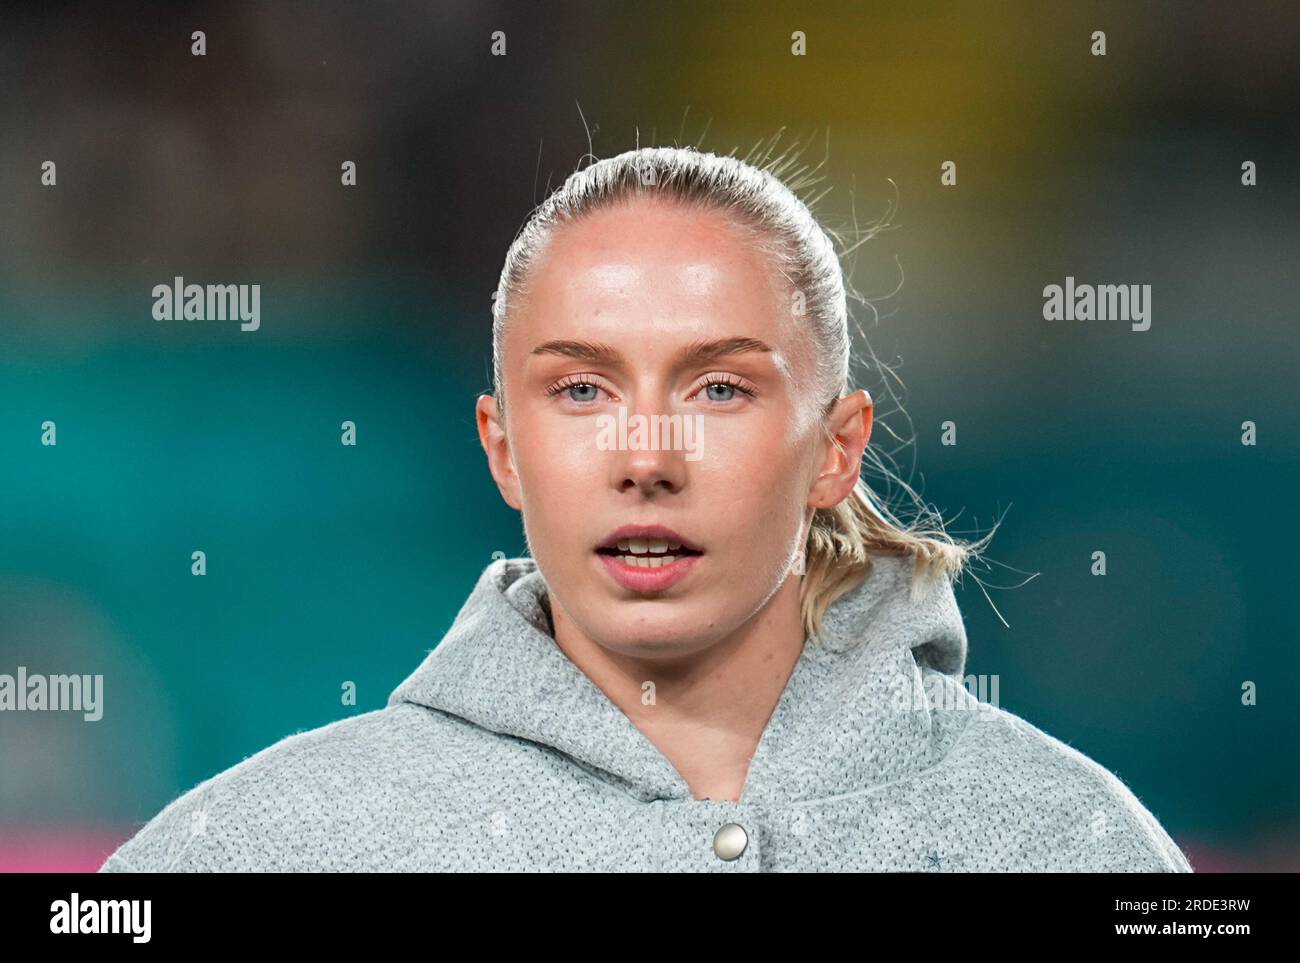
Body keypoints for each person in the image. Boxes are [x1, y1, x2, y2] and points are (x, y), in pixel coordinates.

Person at [99, 142, 1192, 872]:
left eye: (719, 388)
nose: (648, 459)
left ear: (835, 450)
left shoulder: (1070, 842)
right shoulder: (268, 847)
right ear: (503, 449)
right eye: (582, 390)